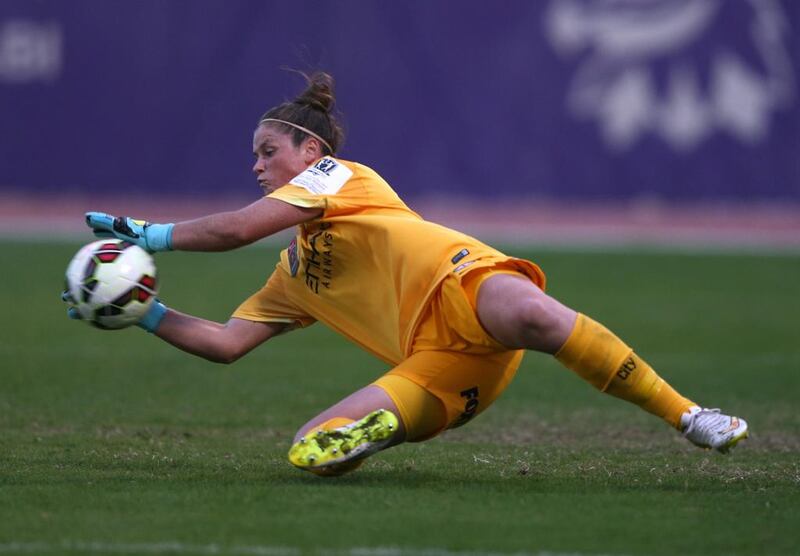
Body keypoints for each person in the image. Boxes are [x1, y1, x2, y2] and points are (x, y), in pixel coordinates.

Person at [67, 71, 748, 477]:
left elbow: (239, 226)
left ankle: (691, 416)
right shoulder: (291, 275)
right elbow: (225, 343)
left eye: (267, 151)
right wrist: (142, 311)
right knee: (310, 451)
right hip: (441, 367)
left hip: (467, 288)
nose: (257, 165)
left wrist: (150, 235)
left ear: (311, 150)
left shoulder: (340, 176)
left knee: (535, 313)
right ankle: (375, 430)